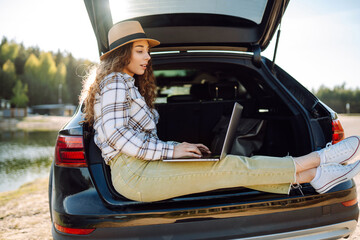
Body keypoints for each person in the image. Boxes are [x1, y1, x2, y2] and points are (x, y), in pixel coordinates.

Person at [81, 21, 360, 202]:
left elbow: (135, 137)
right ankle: (316, 161)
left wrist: (178, 147)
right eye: (140, 50)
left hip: (143, 168)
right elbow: (117, 135)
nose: (148, 56)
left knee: (229, 166)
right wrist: (171, 152)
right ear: (123, 55)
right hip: (134, 176)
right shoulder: (115, 81)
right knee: (229, 166)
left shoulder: (127, 85)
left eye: (146, 51)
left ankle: (313, 176)